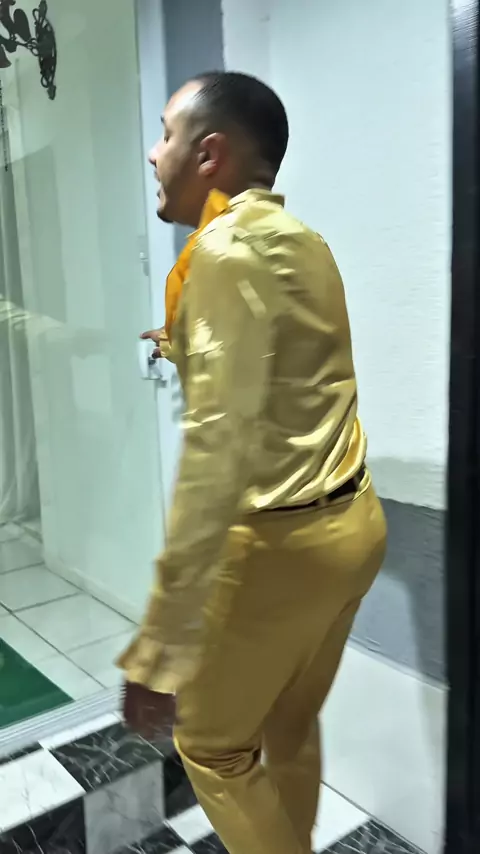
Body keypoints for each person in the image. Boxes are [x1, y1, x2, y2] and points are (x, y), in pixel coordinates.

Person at [118, 71, 387, 854]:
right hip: (353, 526)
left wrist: (160, 646)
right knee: (288, 725)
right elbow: (289, 367)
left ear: (210, 154)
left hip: (278, 549)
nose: (153, 153)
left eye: (165, 134)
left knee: (213, 750)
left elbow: (217, 456)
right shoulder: (303, 241)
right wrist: (182, 344)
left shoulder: (223, 253)